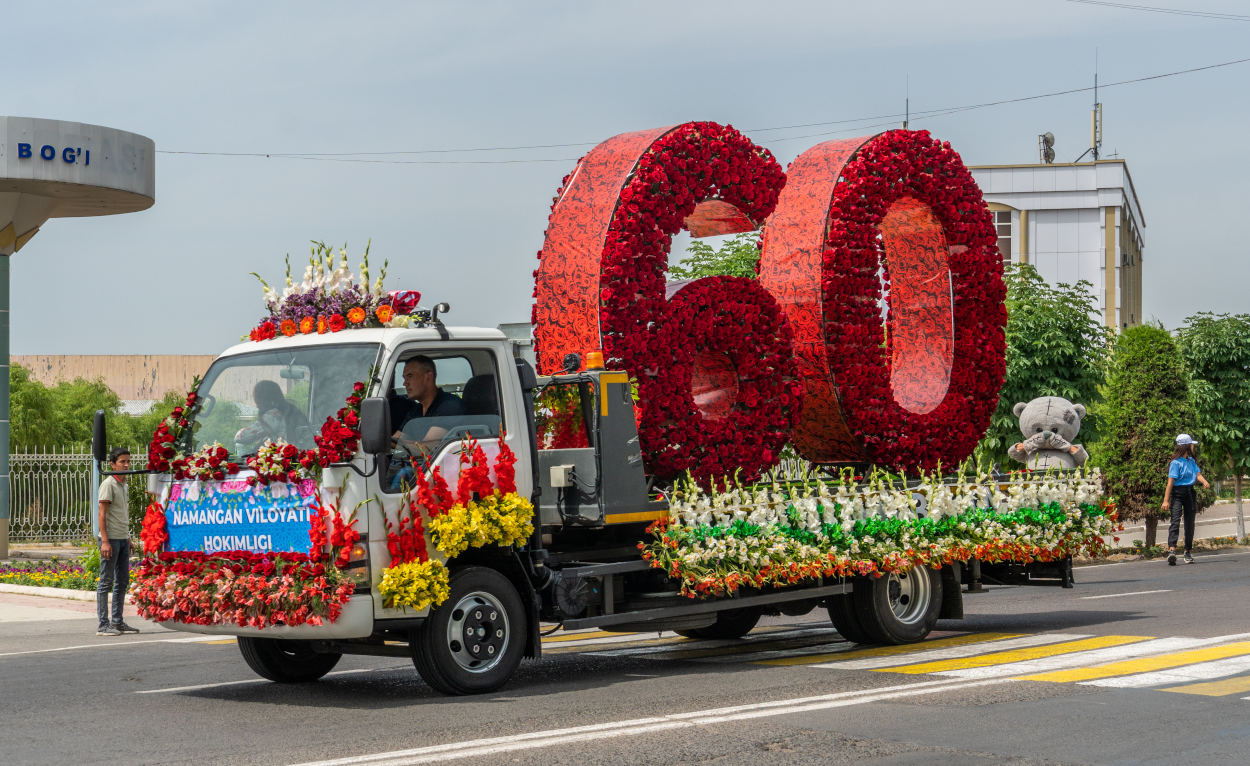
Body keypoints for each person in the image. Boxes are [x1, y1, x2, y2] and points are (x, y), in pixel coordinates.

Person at [96, 447, 139, 636]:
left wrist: (128, 537)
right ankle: (103, 625)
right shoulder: (109, 484)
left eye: (128, 461)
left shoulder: (124, 484)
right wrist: (105, 541)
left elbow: (121, 514)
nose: (126, 465)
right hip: (111, 539)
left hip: (122, 538)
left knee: (122, 581)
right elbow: (102, 514)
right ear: (112, 464)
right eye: (122, 462)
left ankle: (117, 621)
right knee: (106, 581)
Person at [392, 356, 463, 455]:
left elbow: (426, 449)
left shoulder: (450, 406)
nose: (405, 383)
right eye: (404, 378)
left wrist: (394, 443)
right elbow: (396, 439)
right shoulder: (416, 410)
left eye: (410, 376)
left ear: (428, 377)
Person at [1161, 433, 1210, 566]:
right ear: (1186, 446)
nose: (1193, 446)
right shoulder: (1175, 463)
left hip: (1190, 493)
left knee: (1190, 523)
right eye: (1191, 444)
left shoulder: (1191, 461)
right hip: (1177, 494)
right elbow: (1170, 483)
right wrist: (1166, 500)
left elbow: (1197, 474)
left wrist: (1204, 482)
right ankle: (1172, 551)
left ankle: (1187, 551)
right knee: (1175, 521)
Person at [234, 379, 312, 450]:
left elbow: (241, 437)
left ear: (263, 399)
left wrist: (242, 430)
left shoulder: (273, 416)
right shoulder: (289, 411)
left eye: (256, 397)